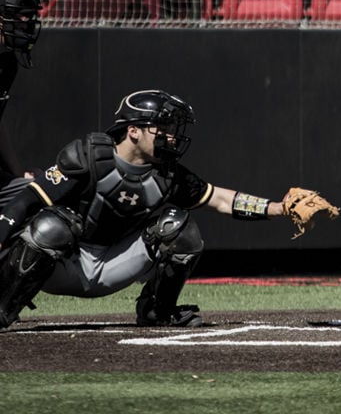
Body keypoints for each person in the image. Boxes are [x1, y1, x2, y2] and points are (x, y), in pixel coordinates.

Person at [0, 90, 303, 329]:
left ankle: (158, 312)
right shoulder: (86, 156)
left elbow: (221, 200)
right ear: (134, 131)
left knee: (179, 228)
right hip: (65, 262)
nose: (171, 136)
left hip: (115, 264)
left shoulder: (169, 174)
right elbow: (27, 199)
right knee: (50, 225)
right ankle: (4, 307)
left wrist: (279, 208)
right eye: (163, 127)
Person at [0, 0, 42, 184]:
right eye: (19, 17)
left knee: (35, 189)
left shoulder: (7, 63)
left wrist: (17, 173)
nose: (25, 24)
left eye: (28, 17)